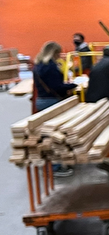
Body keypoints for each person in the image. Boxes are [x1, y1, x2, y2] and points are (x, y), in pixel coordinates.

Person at [33, 41, 77, 177]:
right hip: (51, 102)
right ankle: (55, 167)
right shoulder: (50, 66)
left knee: (47, 135)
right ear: (53, 52)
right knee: (54, 137)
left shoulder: (38, 65)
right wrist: (73, 85)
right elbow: (56, 86)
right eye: (58, 53)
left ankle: (51, 165)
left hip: (41, 100)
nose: (59, 56)